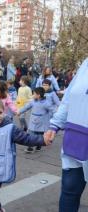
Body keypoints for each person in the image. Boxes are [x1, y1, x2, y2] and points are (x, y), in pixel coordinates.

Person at [44, 58, 88, 212]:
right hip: (75, 141)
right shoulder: (86, 64)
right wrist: (54, 125)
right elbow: (69, 98)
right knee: (69, 193)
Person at [18, 87, 53, 153]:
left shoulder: (46, 103)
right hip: (33, 121)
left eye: (34, 94)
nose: (32, 95)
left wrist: (52, 118)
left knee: (40, 134)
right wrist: (20, 111)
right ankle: (30, 148)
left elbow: (53, 110)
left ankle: (39, 145)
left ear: (38, 95)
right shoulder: (33, 102)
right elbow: (26, 107)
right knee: (31, 134)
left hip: (41, 122)